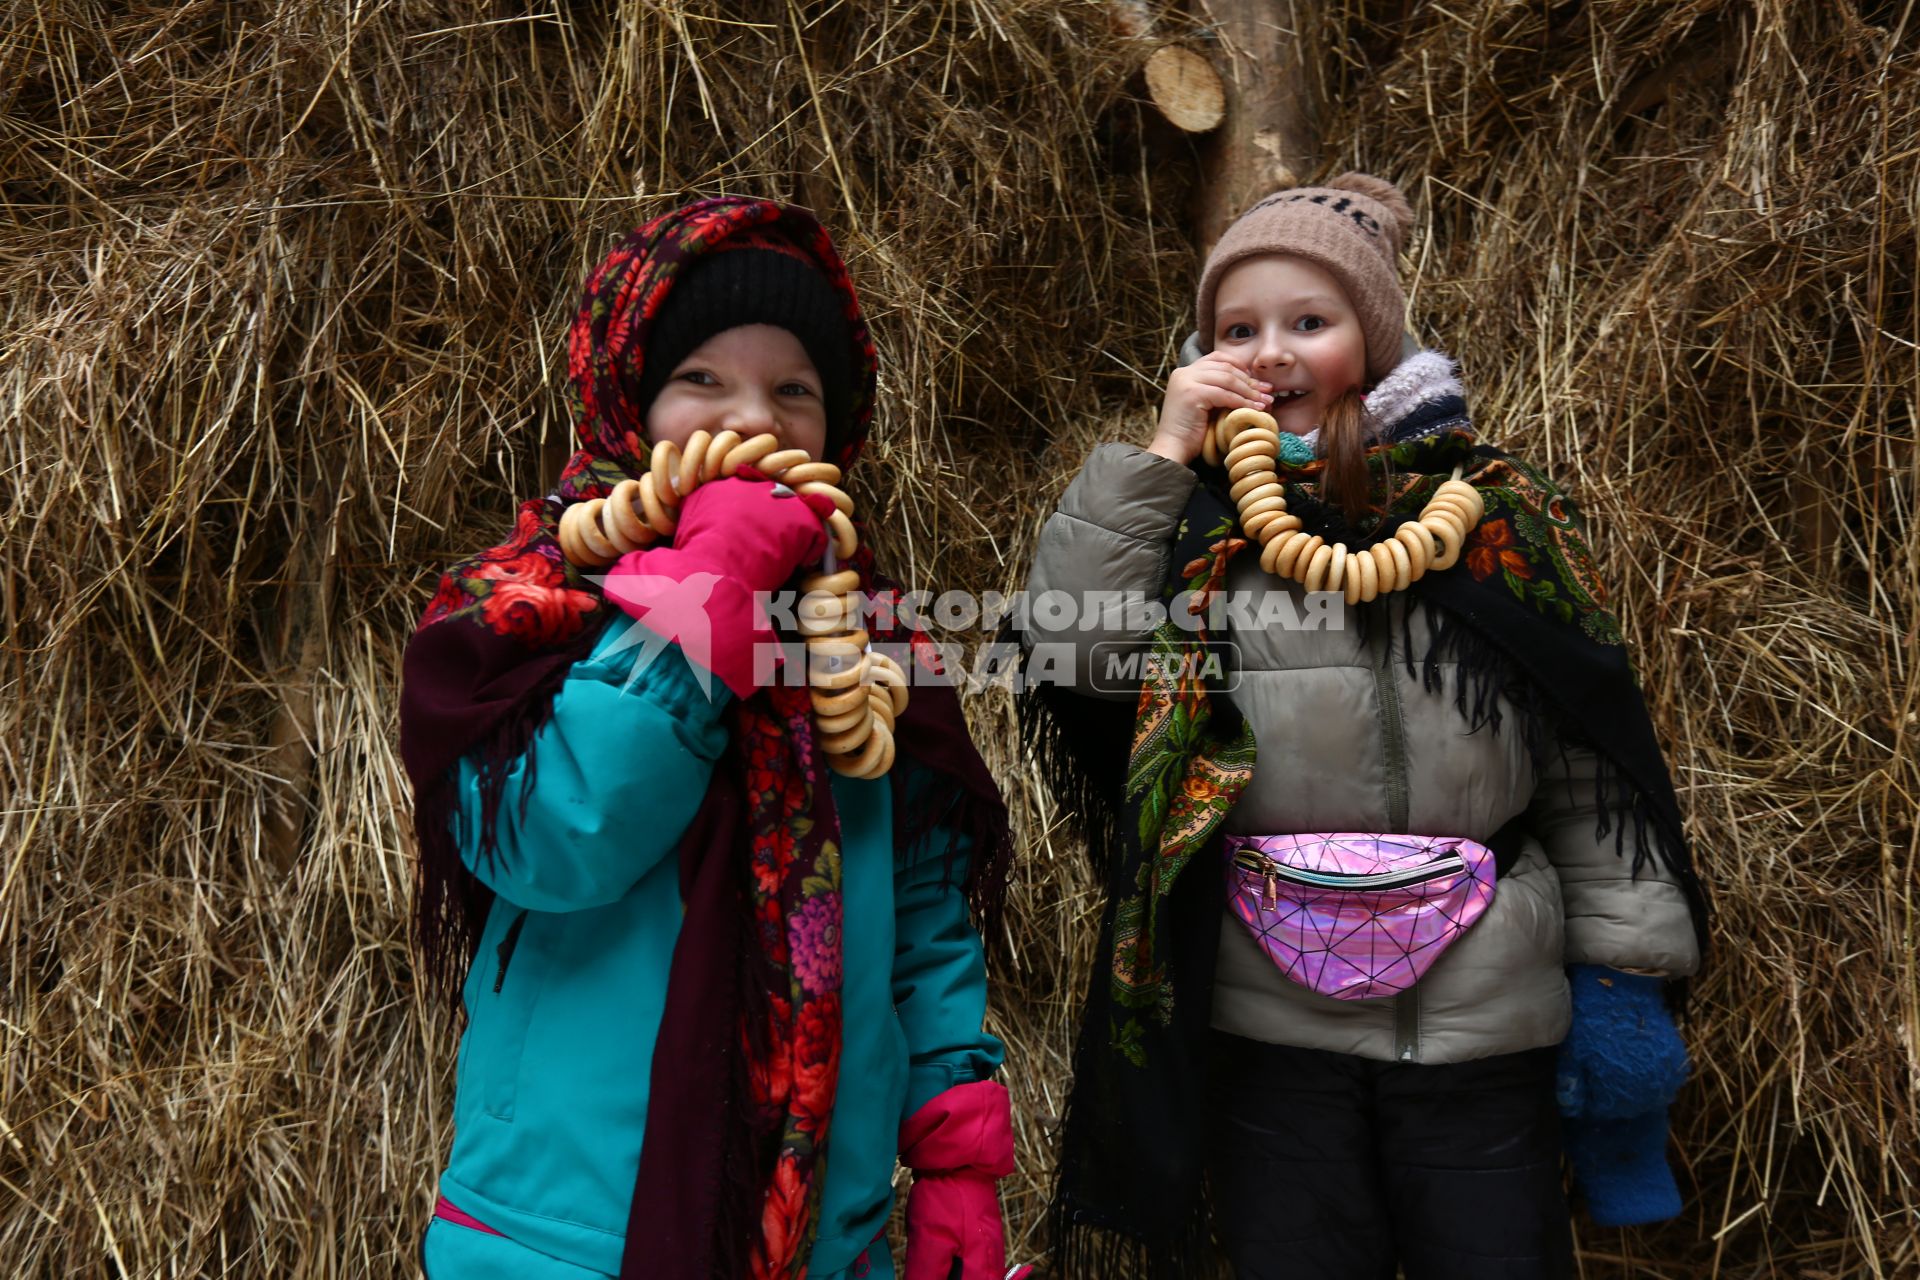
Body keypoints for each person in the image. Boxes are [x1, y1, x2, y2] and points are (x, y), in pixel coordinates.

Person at [1021, 173, 1709, 1279]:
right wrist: (1159, 451)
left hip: (1484, 1019)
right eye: (1237, 330)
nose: (1273, 350)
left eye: (1310, 321)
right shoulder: (1197, 525)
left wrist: (1622, 979)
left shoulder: (1488, 517)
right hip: (1271, 1019)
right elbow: (1071, 654)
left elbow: (1590, 767)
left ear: (1375, 340)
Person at [400, 197, 1024, 1280]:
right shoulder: (525, 606)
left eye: (795, 391)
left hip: (828, 1236)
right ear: (628, 400)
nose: (754, 420)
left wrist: (958, 1159)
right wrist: (701, 602)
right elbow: (554, 838)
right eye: (704, 381)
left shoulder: (869, 639)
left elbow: (923, 908)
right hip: (568, 1233)